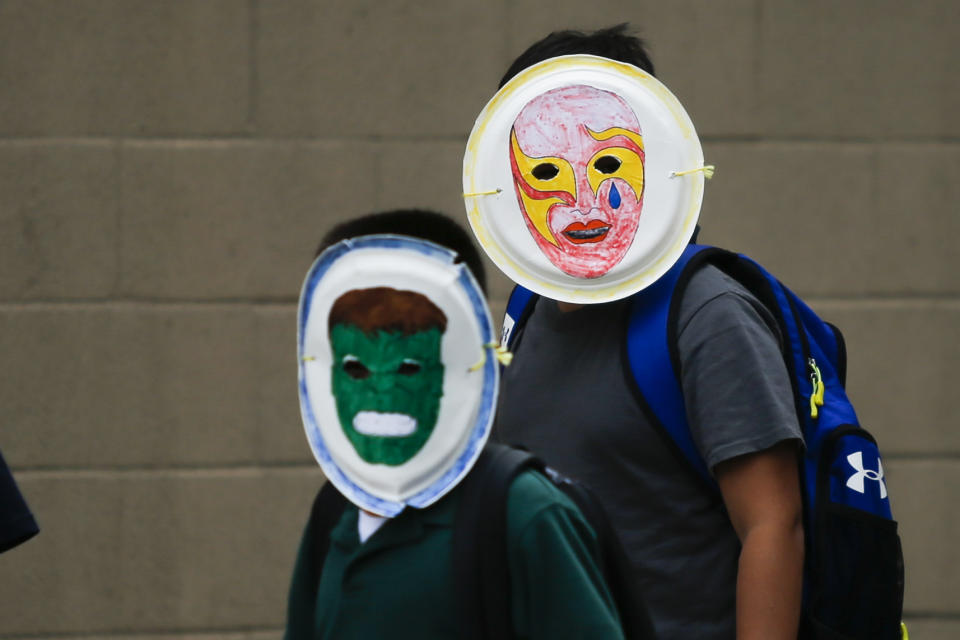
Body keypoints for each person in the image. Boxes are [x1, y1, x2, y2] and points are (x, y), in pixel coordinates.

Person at [488, 26, 806, 640]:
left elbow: (774, 526)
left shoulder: (707, 313)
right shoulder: (526, 309)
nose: (583, 198)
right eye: (548, 169)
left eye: (608, 163)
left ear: (655, 162)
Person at [284, 209, 632, 639]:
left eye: (409, 368)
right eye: (356, 368)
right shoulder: (335, 510)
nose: (380, 395)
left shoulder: (523, 515)